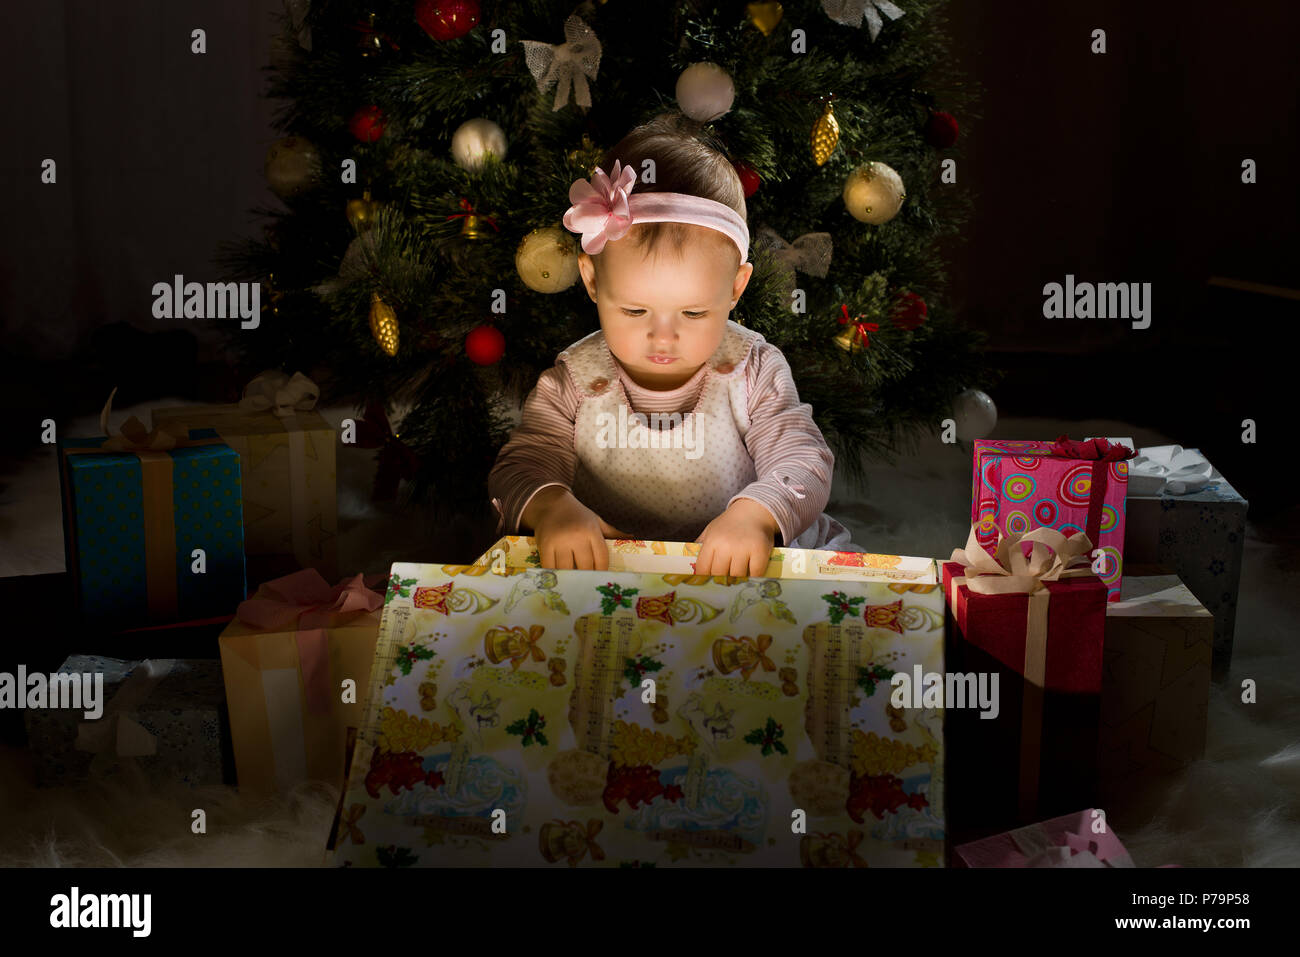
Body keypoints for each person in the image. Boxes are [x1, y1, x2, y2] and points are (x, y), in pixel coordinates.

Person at [488, 113, 863, 575]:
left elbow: (803, 459)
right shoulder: (574, 382)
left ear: (735, 288)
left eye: (693, 313)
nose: (662, 336)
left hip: (737, 562)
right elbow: (520, 466)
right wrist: (552, 509)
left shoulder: (751, 370)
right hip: (613, 566)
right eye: (634, 311)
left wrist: (757, 516)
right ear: (591, 279)